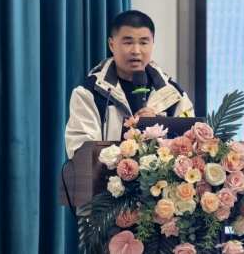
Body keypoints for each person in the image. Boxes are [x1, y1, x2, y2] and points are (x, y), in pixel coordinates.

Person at [65, 10, 194, 158]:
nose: (136, 51)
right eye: (128, 42)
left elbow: (190, 149)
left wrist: (158, 129)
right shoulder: (89, 93)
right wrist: (129, 146)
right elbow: (80, 151)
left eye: (143, 42)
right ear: (112, 45)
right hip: (107, 174)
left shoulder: (173, 95)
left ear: (152, 44)